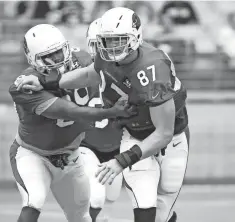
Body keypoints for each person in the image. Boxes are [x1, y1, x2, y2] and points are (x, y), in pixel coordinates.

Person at [16, 7, 190, 222]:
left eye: (119, 40)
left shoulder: (153, 67)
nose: (112, 47)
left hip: (171, 137)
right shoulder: (104, 56)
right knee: (143, 203)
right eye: (107, 40)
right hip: (134, 133)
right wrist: (46, 81)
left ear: (135, 36)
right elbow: (90, 74)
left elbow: (164, 132)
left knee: (165, 202)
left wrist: (121, 160)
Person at [8, 24, 136, 222]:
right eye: (50, 56)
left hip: (70, 155)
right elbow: (69, 111)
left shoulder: (83, 60)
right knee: (35, 200)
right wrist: (112, 111)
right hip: (33, 154)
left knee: (82, 217)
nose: (59, 59)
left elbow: (107, 73)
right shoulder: (24, 85)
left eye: (60, 51)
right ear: (33, 58)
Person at [80, 18, 123, 222]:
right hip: (87, 145)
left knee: (112, 196)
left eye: (108, 43)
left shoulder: (127, 73)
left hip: (117, 146)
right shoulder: (79, 73)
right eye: (99, 44)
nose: (104, 49)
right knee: (97, 196)